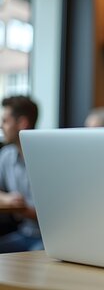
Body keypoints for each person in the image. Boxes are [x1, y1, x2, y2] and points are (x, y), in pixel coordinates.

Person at [0, 95, 43, 252]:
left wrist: (22, 209)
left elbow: (62, 215)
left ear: (22, 123)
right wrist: (8, 198)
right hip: (24, 233)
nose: (1, 126)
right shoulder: (7, 155)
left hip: (46, 238)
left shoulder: (46, 158)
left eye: (5, 121)